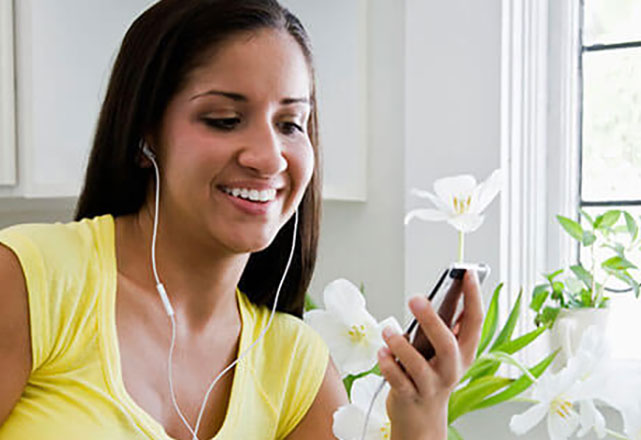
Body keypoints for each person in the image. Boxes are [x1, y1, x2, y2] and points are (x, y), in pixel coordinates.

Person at [0, 0, 484, 439]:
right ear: (145, 134)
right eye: (224, 119)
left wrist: (422, 410)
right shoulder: (28, 279)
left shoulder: (294, 365)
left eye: (290, 124)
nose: (269, 158)